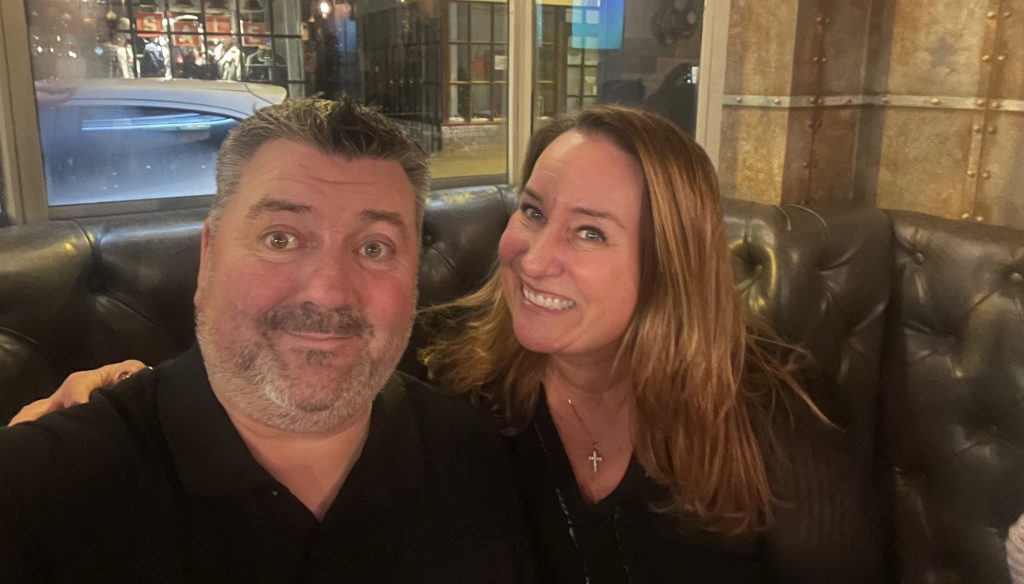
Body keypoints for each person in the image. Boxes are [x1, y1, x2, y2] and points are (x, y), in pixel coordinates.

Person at [11, 106, 879, 583]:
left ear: (668, 264)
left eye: (589, 232)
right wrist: (124, 392)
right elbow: (304, 352)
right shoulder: (461, 370)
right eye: (532, 211)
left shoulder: (774, 416)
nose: (532, 255)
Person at [0, 98, 532, 583]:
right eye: (280, 239)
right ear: (209, 256)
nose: (328, 292)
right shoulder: (37, 491)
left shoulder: (475, 456)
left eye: (374, 248)